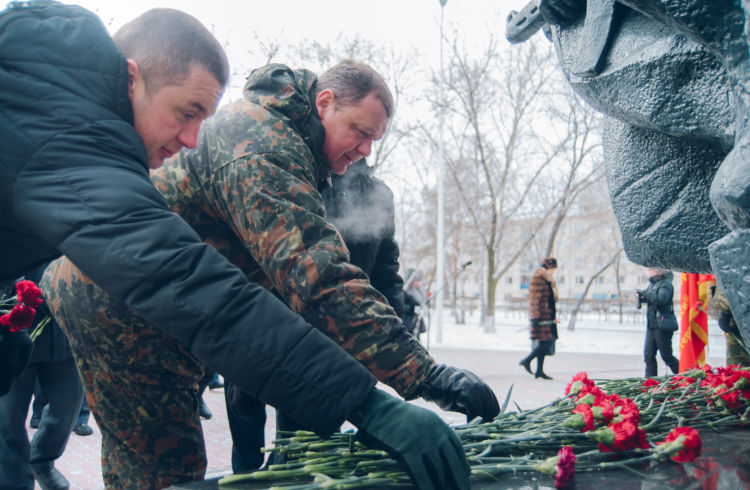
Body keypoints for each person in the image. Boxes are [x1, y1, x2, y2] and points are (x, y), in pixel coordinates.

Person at [1, 3, 472, 489]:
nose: (190, 140)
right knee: (165, 472)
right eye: (186, 113)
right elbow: (313, 278)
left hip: (161, 307)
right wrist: (402, 385)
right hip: (122, 306)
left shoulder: (67, 125)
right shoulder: (262, 146)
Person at [225, 158, 412, 472]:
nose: (357, 147)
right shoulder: (297, 178)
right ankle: (245, 474)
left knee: (303, 447)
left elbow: (386, 272)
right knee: (244, 412)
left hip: (333, 337)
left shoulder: (379, 195)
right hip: (269, 319)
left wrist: (400, 332)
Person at [0, 264, 84, 490]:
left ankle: (41, 460)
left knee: (69, 404)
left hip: (63, 335)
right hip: (14, 334)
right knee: (9, 418)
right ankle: (15, 483)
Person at [519, 257, 559, 380]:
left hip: (547, 316)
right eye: (553, 268)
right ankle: (526, 360)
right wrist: (535, 316)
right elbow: (534, 299)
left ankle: (539, 371)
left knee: (543, 343)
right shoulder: (539, 278)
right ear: (548, 267)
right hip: (541, 317)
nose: (553, 271)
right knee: (546, 343)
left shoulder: (547, 278)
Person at [636, 268, 680, 377]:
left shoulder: (666, 285)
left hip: (662, 325)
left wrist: (646, 294)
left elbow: (661, 299)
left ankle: (684, 376)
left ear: (659, 271)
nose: (648, 271)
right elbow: (651, 298)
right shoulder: (653, 284)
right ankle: (650, 383)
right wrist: (642, 297)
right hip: (652, 325)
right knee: (648, 356)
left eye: (651, 269)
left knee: (667, 356)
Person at [403, 269, 429, 340]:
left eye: (418, 281)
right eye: (416, 280)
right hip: (408, 321)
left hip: (416, 320)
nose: (417, 283)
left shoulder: (418, 290)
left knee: (416, 339)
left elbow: (422, 300)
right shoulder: (404, 291)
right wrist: (412, 308)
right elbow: (401, 306)